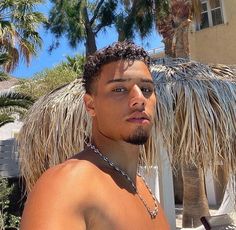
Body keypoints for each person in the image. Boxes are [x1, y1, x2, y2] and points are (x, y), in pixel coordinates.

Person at [20, 41, 170, 229]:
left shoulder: (144, 190)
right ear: (91, 105)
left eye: (147, 89)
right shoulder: (68, 185)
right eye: (119, 89)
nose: (139, 99)